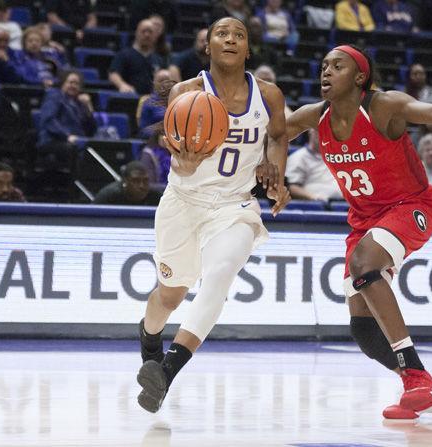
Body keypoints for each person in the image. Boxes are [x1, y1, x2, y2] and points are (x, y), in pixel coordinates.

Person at [285, 45, 432, 419]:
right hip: (364, 221)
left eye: (338, 66)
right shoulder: (313, 116)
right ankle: (427, 387)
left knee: (364, 264)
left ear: (360, 77)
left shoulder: (382, 106)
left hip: (410, 207)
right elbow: (271, 134)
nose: (327, 71)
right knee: (364, 333)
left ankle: (415, 377)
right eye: (324, 66)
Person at [136, 16, 290, 414]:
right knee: (169, 296)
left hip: (234, 205)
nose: (230, 39)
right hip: (183, 203)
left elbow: (277, 137)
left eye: (239, 34)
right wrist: (184, 164)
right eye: (222, 33)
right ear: (207, 45)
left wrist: (276, 174)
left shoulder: (269, 94)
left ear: (248, 49)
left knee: (220, 275)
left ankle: (166, 372)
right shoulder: (187, 93)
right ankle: (149, 340)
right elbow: (176, 153)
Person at [36, 70, 96, 176]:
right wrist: (66, 136)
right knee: (76, 150)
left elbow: (91, 130)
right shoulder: (54, 96)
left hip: (75, 141)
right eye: (70, 82)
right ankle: (76, 184)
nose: (73, 86)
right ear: (63, 83)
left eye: (76, 83)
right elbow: (49, 120)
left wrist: (88, 107)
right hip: (53, 140)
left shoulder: (79, 104)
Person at [108, 19, 165, 95]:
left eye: (150, 32)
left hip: (151, 102)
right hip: (130, 98)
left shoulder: (158, 59)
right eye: (143, 31)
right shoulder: (124, 54)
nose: (147, 35)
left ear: (155, 36)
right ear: (137, 33)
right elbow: (113, 74)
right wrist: (122, 85)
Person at [286, 128, 342, 201]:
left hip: (341, 205)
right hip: (313, 205)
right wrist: (313, 197)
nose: (323, 135)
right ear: (310, 131)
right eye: (318, 131)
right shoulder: (298, 157)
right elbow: (292, 187)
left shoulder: (338, 156)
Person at [93, 161, 162, 206]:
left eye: (145, 180)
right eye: (136, 181)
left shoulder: (156, 197)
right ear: (125, 181)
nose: (142, 185)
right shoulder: (108, 196)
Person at [136, 69, 176, 139]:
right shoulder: (148, 102)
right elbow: (143, 130)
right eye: (161, 81)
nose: (164, 84)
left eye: (167, 80)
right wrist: (160, 133)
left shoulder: (180, 99)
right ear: (154, 82)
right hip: (155, 141)